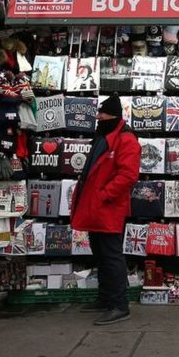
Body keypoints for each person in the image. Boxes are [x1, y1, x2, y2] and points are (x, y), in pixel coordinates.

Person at [70, 93, 141, 325]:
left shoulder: (125, 139)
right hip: (96, 206)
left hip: (107, 207)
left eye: (101, 113)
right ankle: (105, 298)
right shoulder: (105, 135)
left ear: (112, 115)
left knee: (111, 255)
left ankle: (120, 305)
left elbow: (128, 175)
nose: (98, 117)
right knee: (100, 253)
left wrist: (104, 194)